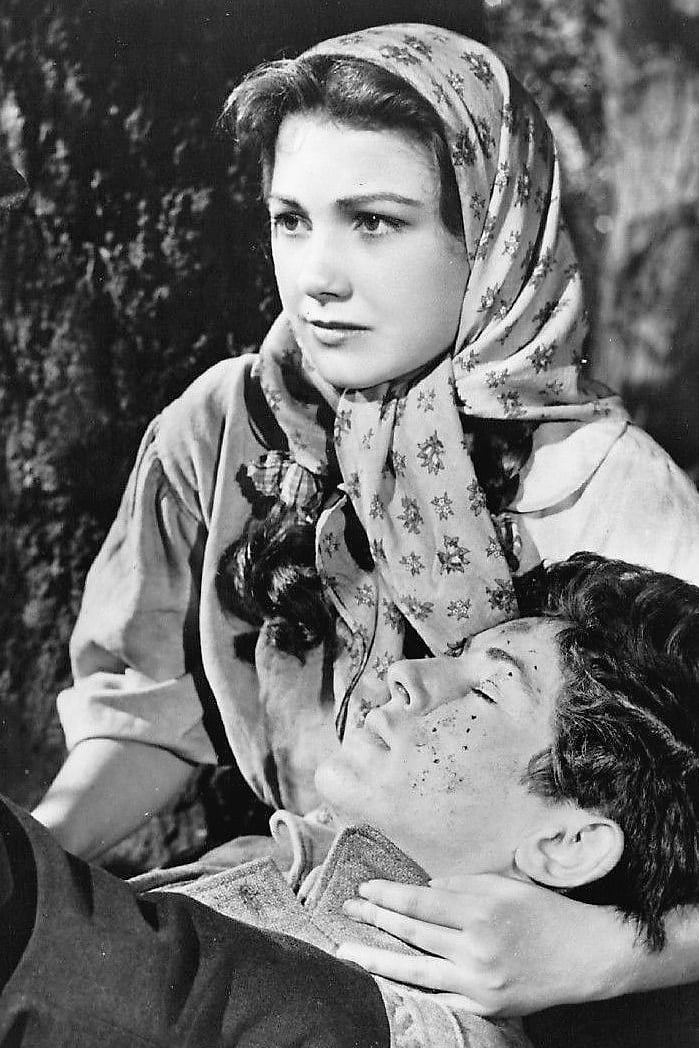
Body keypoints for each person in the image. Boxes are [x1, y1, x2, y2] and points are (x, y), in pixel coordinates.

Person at [26, 20, 699, 1022]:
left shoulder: (605, 485)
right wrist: (36, 861)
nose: (318, 276)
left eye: (375, 222)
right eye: (290, 220)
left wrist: (613, 954)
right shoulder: (225, 425)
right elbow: (152, 716)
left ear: (492, 235)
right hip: (296, 906)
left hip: (522, 981)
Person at [3, 553, 699, 1047]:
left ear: (567, 844)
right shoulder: (280, 866)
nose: (405, 673)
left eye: (487, 690)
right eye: (451, 655)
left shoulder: (401, 1030)